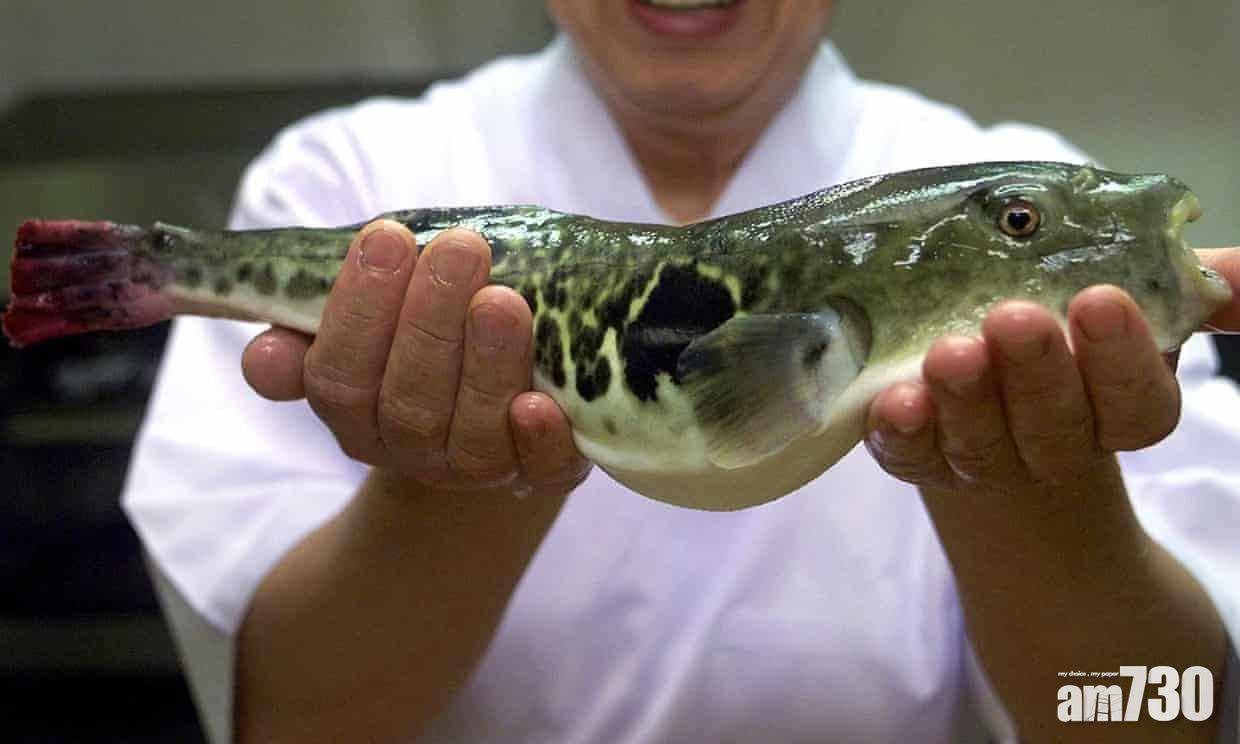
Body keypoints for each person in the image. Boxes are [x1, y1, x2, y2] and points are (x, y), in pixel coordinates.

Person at [123, 1, 1240, 742]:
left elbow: (1166, 712)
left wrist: (1038, 483)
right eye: (1015, 222)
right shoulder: (341, 181)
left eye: (1016, 223)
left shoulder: (1037, 200)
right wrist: (458, 462)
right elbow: (295, 722)